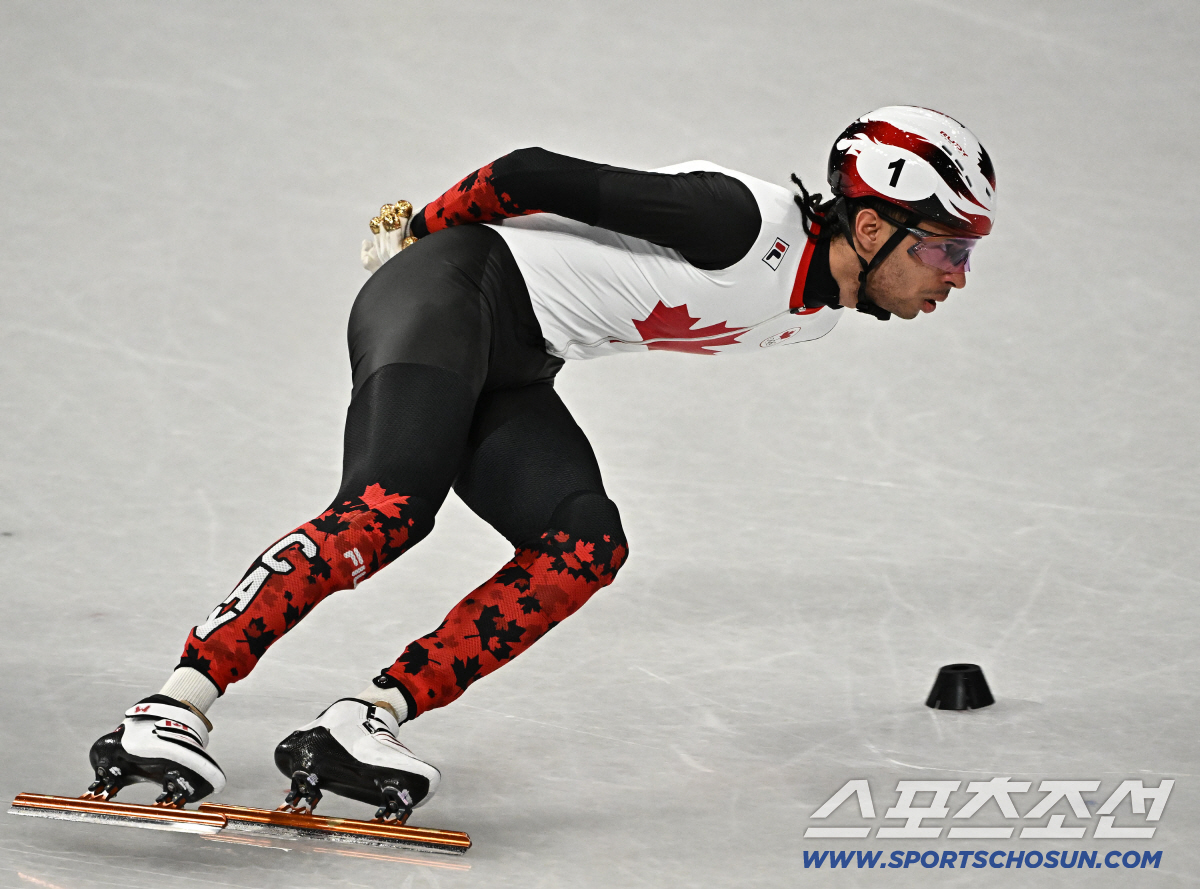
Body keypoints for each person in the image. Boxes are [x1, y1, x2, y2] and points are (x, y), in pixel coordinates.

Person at [85, 105, 997, 820]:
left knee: (585, 543)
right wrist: (419, 232)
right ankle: (170, 705)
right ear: (872, 227)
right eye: (947, 247)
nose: (957, 275)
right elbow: (529, 176)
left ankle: (365, 720)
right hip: (449, 291)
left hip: (519, 354)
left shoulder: (819, 310)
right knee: (386, 511)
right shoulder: (740, 222)